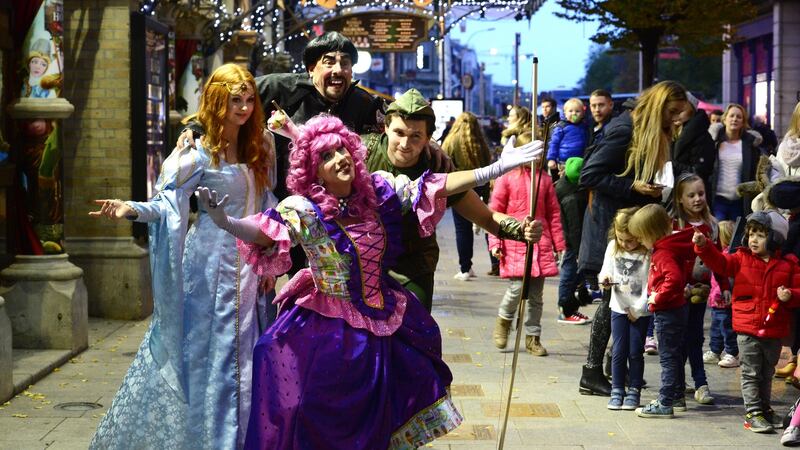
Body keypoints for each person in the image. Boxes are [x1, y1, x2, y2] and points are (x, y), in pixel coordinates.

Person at [198, 114, 542, 449]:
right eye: (326, 156)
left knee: (384, 405)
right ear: (313, 170)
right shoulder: (303, 208)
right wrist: (226, 222)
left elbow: (438, 185)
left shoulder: (378, 189)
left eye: (342, 149)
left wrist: (494, 169)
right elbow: (264, 230)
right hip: (325, 327)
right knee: (316, 407)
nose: (339, 159)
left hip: (383, 317)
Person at [87, 64, 276, 449]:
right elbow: (168, 203)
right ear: (216, 101)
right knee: (213, 353)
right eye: (234, 100)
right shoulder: (197, 154)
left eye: (248, 99)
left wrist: (273, 250)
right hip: (210, 262)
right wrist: (132, 209)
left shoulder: (263, 146)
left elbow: (270, 204)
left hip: (254, 261)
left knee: (252, 349)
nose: (243, 107)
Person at [358, 89, 543, 312]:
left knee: (415, 334)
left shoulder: (438, 167)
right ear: (385, 128)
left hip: (414, 264)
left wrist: (521, 230)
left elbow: (485, 216)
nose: (405, 144)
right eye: (399, 132)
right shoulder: (360, 152)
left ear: (428, 138)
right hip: (361, 261)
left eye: (415, 136)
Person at [577, 81, 689, 396]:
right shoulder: (625, 129)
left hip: (629, 226)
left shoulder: (648, 131)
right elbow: (589, 175)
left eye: (679, 113)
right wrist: (633, 188)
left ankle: (615, 368)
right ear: (658, 108)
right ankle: (591, 372)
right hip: (611, 231)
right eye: (673, 112)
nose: (677, 119)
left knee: (625, 298)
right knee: (611, 300)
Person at [693, 210, 799, 433]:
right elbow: (720, 264)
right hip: (747, 328)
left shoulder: (788, 264)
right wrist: (704, 247)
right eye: (751, 234)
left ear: (775, 238)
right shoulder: (741, 258)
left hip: (773, 328)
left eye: (760, 235)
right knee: (751, 373)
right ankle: (752, 412)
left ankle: (764, 407)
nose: (753, 239)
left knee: (766, 373)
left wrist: (790, 294)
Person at [488, 131, 565, 356]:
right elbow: (494, 212)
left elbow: (553, 214)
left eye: (540, 154)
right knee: (515, 289)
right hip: (515, 242)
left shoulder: (546, 180)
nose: (538, 159)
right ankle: (504, 321)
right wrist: (496, 242)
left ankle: (533, 336)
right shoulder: (507, 178)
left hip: (540, 242)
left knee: (536, 297)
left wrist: (559, 244)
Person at [628, 204, 695, 419]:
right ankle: (676, 396)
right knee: (674, 354)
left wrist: (658, 296)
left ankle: (665, 401)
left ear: (651, 234)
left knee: (668, 357)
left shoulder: (663, 252)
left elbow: (673, 279)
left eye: (641, 237)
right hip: (676, 308)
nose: (640, 241)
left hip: (668, 310)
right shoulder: (669, 248)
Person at [671, 173, 723, 407]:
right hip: (678, 291)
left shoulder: (711, 225)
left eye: (700, 194)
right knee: (680, 338)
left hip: (700, 292)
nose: (697, 199)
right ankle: (678, 384)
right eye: (690, 195)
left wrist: (723, 285)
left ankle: (700, 383)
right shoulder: (673, 224)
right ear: (680, 199)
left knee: (695, 336)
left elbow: (718, 259)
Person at [598, 207, 651, 410]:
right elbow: (605, 272)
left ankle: (634, 390)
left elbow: (650, 284)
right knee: (618, 350)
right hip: (618, 307)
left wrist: (638, 309)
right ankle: (617, 389)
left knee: (636, 351)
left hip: (640, 311)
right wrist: (605, 281)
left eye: (629, 240)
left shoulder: (648, 253)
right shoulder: (613, 247)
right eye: (621, 239)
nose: (624, 244)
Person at [442, 112, 492, 281]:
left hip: (460, 190)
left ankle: (465, 267)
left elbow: (444, 166)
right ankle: (496, 263)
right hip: (480, 188)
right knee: (488, 224)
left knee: (462, 229)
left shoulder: (451, 141)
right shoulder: (481, 143)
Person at [710, 103, 762, 221]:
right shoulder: (715, 142)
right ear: (725, 119)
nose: (734, 119)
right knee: (718, 234)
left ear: (743, 121)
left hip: (740, 201)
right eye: (731, 115)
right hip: (718, 200)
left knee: (736, 236)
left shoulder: (750, 146)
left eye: (739, 117)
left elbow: (755, 173)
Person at [555, 157, 591, 324]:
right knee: (569, 274)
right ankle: (566, 310)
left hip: (573, 241)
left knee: (572, 274)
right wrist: (578, 251)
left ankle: (572, 309)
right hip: (572, 243)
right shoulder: (573, 199)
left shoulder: (566, 186)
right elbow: (575, 228)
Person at [703, 220, 740, 369]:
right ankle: (715, 350)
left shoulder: (729, 256)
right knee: (716, 328)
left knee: (727, 327)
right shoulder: (718, 254)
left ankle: (732, 353)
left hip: (725, 301)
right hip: (716, 301)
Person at [671, 95, 716, 203]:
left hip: (693, 197)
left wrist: (669, 164)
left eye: (681, 110)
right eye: (674, 110)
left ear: (691, 110)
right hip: (675, 194)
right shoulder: (673, 131)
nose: (676, 114)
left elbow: (699, 171)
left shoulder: (703, 137)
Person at [546, 98, 589, 174]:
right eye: (570, 111)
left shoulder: (584, 126)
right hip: (564, 162)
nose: (574, 113)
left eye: (577, 111)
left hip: (580, 161)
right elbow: (553, 143)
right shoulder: (561, 127)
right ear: (565, 113)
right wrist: (551, 159)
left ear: (582, 113)